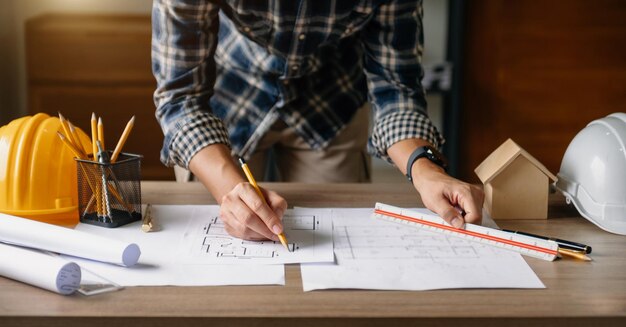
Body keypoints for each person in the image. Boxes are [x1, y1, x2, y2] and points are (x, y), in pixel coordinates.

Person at [151, 0, 484, 241]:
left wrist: (425, 170)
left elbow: (396, 88)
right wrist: (231, 192)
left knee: (344, 237)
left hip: (332, 96)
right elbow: (180, 99)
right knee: (231, 227)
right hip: (231, 92)